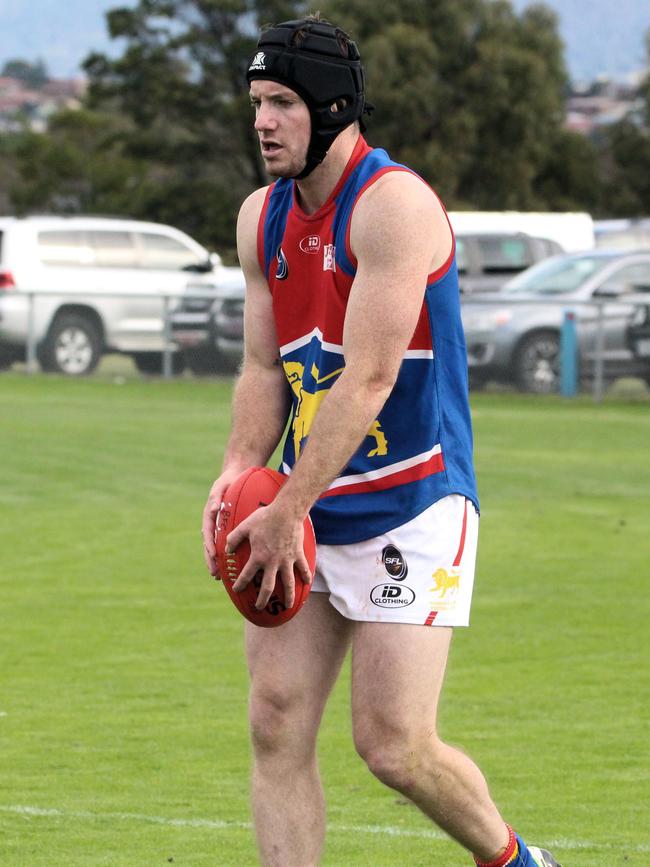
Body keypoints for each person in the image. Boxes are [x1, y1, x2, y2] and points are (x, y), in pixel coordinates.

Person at [202, 15, 561, 867]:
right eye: (257, 102)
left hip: (414, 501)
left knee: (394, 744)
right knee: (275, 719)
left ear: (332, 108)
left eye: (282, 103)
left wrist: (287, 506)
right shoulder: (262, 218)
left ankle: (516, 859)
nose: (263, 122)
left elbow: (368, 380)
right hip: (308, 503)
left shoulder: (393, 206)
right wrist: (235, 473)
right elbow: (263, 365)